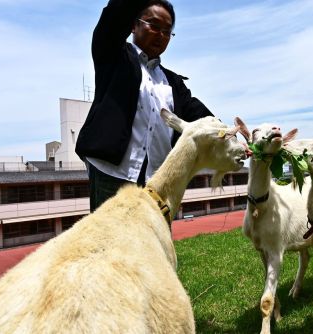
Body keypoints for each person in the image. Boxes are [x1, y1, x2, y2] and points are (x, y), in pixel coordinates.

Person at [75, 0, 214, 212]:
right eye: (154, 26)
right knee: (109, 243)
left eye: (167, 31)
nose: (161, 35)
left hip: (157, 180)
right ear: (134, 25)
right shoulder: (113, 55)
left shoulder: (172, 82)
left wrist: (231, 136)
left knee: (155, 243)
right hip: (112, 175)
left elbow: (200, 117)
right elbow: (115, 17)